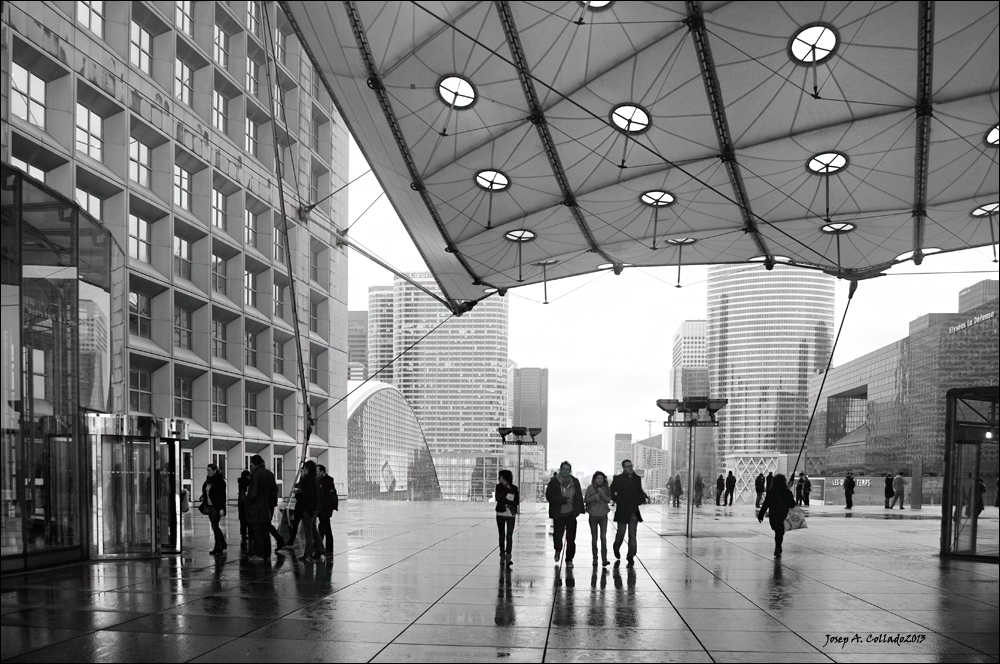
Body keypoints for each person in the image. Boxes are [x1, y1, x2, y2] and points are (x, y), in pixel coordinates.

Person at [610, 459, 647, 567]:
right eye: (628, 466)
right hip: (622, 509)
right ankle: (616, 547)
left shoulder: (637, 479)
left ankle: (631, 555)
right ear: (623, 468)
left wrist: (640, 500)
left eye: (631, 466)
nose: (630, 468)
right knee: (621, 532)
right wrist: (618, 499)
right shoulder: (618, 479)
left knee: (632, 534)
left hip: (633, 509)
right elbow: (612, 491)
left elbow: (640, 491)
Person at [546, 461, 584, 567]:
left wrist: (577, 510)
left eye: (568, 469)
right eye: (564, 469)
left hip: (571, 514)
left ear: (570, 471)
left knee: (571, 539)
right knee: (558, 536)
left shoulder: (575, 481)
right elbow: (549, 496)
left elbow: (579, 496)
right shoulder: (554, 481)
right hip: (559, 514)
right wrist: (562, 500)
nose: (566, 471)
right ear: (560, 470)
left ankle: (569, 560)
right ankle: (558, 550)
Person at [245, 454, 277, 562]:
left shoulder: (255, 475)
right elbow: (274, 490)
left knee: (257, 531)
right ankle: (267, 553)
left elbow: (253, 493)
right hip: (265, 505)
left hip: (255, 507)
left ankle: (260, 554)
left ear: (253, 464)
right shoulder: (269, 474)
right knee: (265, 530)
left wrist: (247, 502)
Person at [757, 473, 796, 556]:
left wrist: (761, 515)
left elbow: (765, 504)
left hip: (773, 514)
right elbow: (792, 504)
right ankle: (778, 547)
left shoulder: (771, 492)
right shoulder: (787, 492)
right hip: (783, 515)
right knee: (780, 532)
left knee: (777, 531)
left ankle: (778, 547)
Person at [584, 471, 611, 567]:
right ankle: (595, 559)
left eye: (601, 478)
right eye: (598, 478)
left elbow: (608, 499)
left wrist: (602, 493)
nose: (600, 480)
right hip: (593, 515)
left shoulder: (606, 488)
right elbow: (586, 500)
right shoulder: (590, 488)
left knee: (603, 537)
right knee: (594, 538)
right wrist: (595, 497)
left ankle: (604, 559)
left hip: (603, 515)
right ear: (594, 479)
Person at [200, 463, 227, 555]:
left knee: (215, 525)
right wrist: (203, 497)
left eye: (209, 470)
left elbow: (223, 496)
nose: (207, 472)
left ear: (215, 471)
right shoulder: (207, 481)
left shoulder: (220, 482)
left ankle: (218, 546)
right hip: (209, 506)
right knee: (214, 525)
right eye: (207, 470)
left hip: (216, 506)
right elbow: (206, 492)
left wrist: (222, 508)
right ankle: (222, 543)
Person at [495, 469, 519, 567]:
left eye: (500, 477)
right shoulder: (498, 487)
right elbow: (498, 498)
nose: (498, 478)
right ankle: (502, 555)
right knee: (501, 535)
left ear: (505, 478)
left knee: (509, 536)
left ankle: (508, 556)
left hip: (511, 514)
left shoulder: (514, 488)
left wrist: (506, 500)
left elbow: (516, 501)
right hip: (500, 513)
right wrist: (508, 495)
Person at [295, 461, 319, 559]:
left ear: (307, 469)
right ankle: (320, 549)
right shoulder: (314, 479)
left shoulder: (307, 480)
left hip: (308, 508)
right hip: (314, 508)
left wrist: (299, 493)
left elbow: (308, 496)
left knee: (308, 531)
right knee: (313, 529)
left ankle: (308, 552)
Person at [315, 464, 338, 562]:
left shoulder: (327, 481)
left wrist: (329, 507)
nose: (316, 473)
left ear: (322, 471)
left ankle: (318, 548)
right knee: (327, 528)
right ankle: (329, 547)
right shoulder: (321, 480)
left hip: (325, 508)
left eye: (317, 471)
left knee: (322, 527)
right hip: (324, 508)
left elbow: (328, 496)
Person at [237, 469, 251, 550]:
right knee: (248, 518)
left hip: (241, 502)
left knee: (242, 519)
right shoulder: (248, 482)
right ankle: (250, 533)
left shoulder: (240, 482)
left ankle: (243, 534)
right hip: (247, 502)